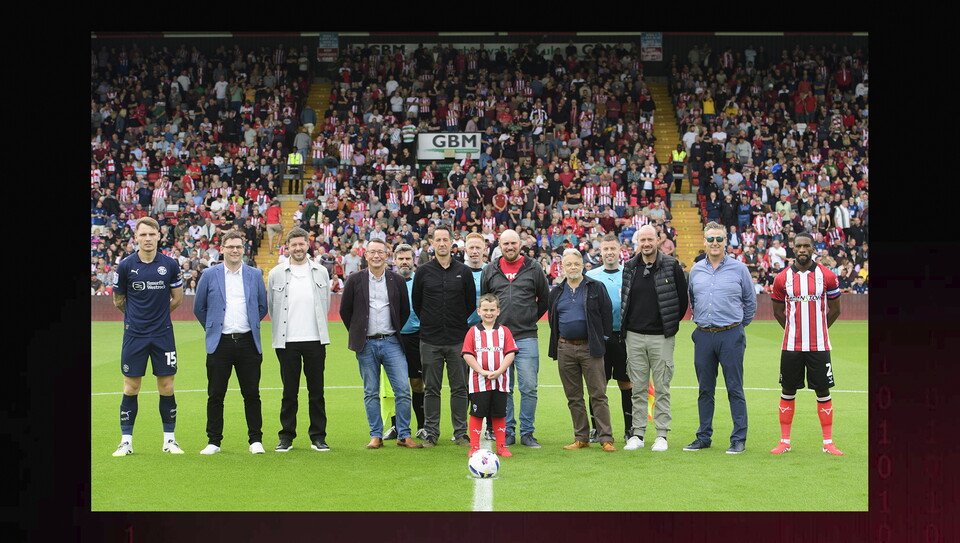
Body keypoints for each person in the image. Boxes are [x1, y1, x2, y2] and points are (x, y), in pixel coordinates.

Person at [339, 237, 423, 449]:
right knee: (371, 391)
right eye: (372, 252)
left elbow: (404, 310)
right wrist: (358, 332)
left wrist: (393, 330)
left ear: (386, 256)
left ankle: (404, 434)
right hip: (366, 345)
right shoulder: (354, 279)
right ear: (365, 255)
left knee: (403, 390)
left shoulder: (396, 280)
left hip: (392, 342)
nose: (376, 256)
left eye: (380, 252)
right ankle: (375, 435)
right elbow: (344, 311)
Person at [111, 217, 185, 456]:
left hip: (163, 334)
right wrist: (135, 318)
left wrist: (158, 317)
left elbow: (177, 299)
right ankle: (126, 441)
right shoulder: (125, 266)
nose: (148, 239)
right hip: (134, 335)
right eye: (143, 235)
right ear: (136, 238)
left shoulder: (170, 265)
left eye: (152, 235)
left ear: (159, 237)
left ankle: (170, 440)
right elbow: (118, 300)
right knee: (131, 387)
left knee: (167, 385)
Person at [193, 230, 269, 455]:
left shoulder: (255, 274)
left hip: (248, 342)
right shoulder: (209, 274)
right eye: (230, 247)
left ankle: (255, 440)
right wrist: (213, 327)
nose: (235, 250)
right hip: (220, 344)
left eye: (238, 247)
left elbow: (262, 306)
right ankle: (214, 441)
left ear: (243, 249)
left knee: (252, 394)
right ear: (222, 249)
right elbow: (199, 307)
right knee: (216, 394)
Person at [684, 221, 756, 454]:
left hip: (730, 334)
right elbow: (693, 300)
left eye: (719, 239)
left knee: (734, 387)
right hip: (704, 335)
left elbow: (750, 303)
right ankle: (704, 437)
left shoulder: (739, 269)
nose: (715, 243)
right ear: (704, 241)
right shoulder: (696, 269)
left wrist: (736, 327)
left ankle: (738, 438)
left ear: (726, 241)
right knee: (705, 389)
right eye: (711, 239)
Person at [770, 232, 844, 455]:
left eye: (806, 246)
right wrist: (794, 330)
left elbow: (836, 310)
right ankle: (784, 441)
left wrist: (818, 330)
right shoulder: (782, 278)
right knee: (788, 390)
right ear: (793, 249)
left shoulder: (828, 276)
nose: (802, 250)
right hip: (791, 346)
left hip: (819, 346)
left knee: (823, 391)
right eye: (798, 246)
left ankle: (828, 443)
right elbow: (777, 311)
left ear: (813, 248)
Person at [620, 225, 688, 452]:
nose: (646, 243)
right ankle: (637, 433)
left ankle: (661, 434)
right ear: (637, 242)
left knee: (662, 387)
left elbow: (681, 301)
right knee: (637, 387)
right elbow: (626, 299)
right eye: (642, 240)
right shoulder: (630, 266)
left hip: (662, 337)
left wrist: (668, 324)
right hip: (634, 336)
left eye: (650, 239)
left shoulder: (671, 265)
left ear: (658, 240)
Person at [480, 229, 550, 448]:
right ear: (499, 246)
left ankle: (527, 432)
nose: (510, 247)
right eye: (505, 244)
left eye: (513, 243)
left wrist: (528, 318)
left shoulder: (534, 268)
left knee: (529, 386)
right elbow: (485, 300)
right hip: (499, 339)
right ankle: (507, 431)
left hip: (526, 336)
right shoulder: (490, 270)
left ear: (521, 244)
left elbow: (544, 300)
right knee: (504, 387)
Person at [268, 227, 333, 452]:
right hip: (287, 342)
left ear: (308, 245)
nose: (298, 248)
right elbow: (271, 307)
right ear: (287, 247)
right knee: (289, 392)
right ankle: (286, 436)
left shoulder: (321, 271)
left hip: (315, 339)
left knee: (317, 391)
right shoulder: (276, 273)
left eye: (301, 244)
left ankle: (318, 436)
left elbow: (326, 304)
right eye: (293, 244)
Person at [412, 225, 477, 447]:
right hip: (430, 340)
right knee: (431, 388)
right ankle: (431, 432)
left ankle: (460, 433)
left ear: (452, 243)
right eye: (437, 240)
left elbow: (470, 304)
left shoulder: (464, 272)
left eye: (445, 240)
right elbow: (417, 304)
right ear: (432, 243)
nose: (441, 243)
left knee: (460, 388)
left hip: (458, 339)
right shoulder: (423, 272)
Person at [547, 248, 616, 452]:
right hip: (565, 348)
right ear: (563, 267)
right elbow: (553, 320)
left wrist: (601, 339)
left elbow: (607, 314)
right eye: (568, 264)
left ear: (583, 265)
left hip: (590, 349)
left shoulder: (595, 287)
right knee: (574, 397)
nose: (573, 267)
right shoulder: (557, 291)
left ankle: (606, 438)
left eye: (576, 263)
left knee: (598, 394)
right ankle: (581, 437)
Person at [584, 234, 633, 443]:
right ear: (600, 252)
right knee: (597, 386)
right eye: (606, 249)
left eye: (613, 248)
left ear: (620, 250)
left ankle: (630, 429)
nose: (610, 252)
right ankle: (596, 428)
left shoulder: (629, 273)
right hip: (599, 338)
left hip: (625, 337)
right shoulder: (592, 276)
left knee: (627, 384)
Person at [462, 293, 517, 458]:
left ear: (498, 311)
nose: (489, 313)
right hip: (478, 382)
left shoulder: (504, 331)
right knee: (477, 413)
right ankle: (474, 447)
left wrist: (500, 371)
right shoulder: (472, 332)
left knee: (499, 413)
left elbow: (510, 353)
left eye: (492, 310)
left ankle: (501, 446)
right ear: (479, 311)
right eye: (485, 309)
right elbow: (467, 354)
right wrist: (482, 371)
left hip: (500, 381)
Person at [388, 243, 426, 440]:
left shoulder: (420, 281)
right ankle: (397, 427)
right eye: (401, 259)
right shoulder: (387, 281)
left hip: (416, 337)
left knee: (417, 383)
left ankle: (422, 425)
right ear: (394, 261)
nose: (404, 262)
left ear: (414, 261)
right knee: (396, 385)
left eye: (408, 259)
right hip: (393, 337)